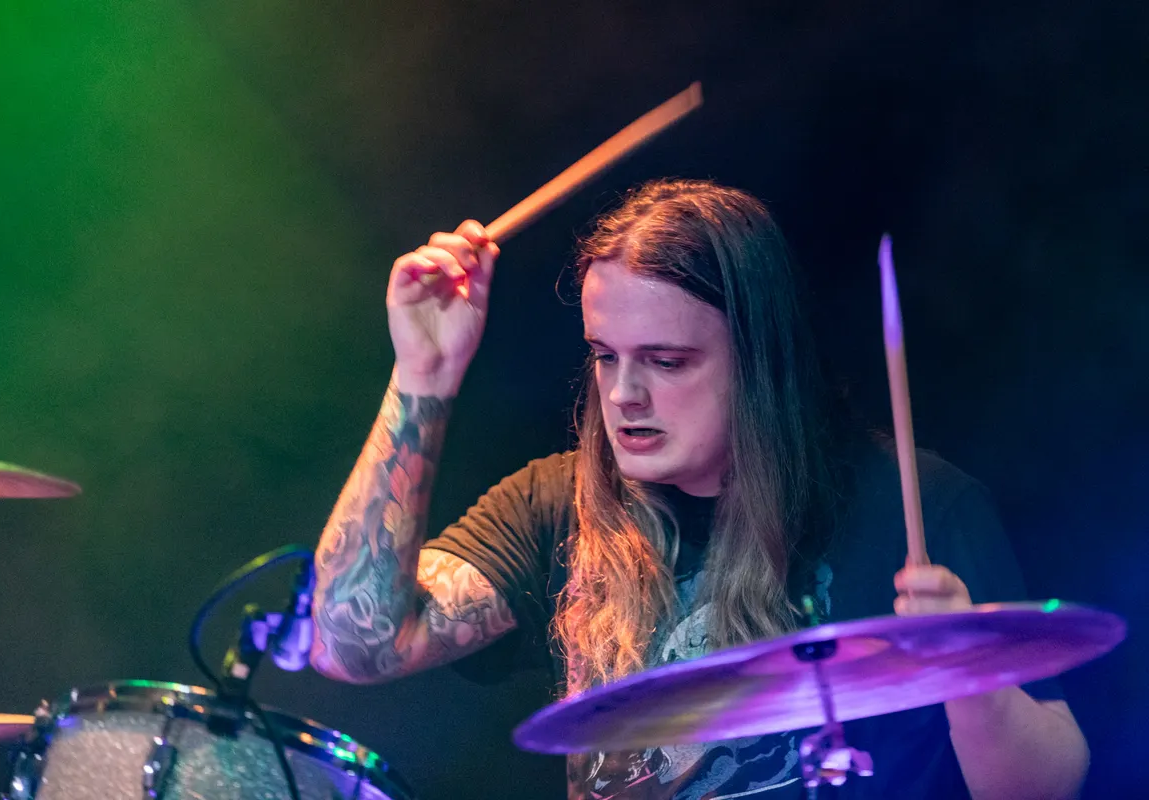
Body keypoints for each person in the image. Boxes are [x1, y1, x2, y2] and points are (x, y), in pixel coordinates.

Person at [310, 179, 1089, 799]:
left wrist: (968, 678)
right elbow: (352, 646)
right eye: (605, 356)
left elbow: (1045, 787)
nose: (623, 395)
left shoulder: (919, 505)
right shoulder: (555, 503)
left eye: (666, 361)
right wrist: (424, 375)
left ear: (759, 359)